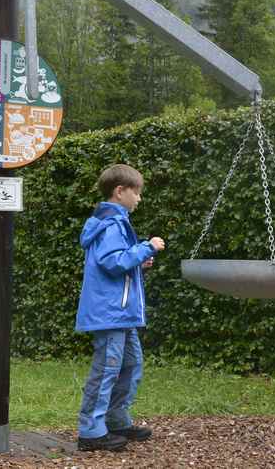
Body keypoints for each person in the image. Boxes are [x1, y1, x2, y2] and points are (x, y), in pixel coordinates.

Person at [74, 163, 166, 452]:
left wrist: (139, 260)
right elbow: (112, 262)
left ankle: (115, 420)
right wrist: (146, 247)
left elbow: (119, 261)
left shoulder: (117, 222)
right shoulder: (111, 224)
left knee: (130, 364)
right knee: (107, 369)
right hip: (110, 313)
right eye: (136, 193)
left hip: (120, 313)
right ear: (120, 191)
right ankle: (91, 431)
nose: (139, 198)